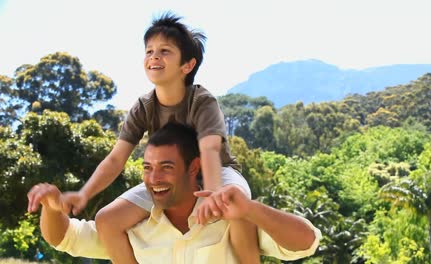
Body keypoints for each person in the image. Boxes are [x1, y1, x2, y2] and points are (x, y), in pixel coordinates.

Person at [60, 12, 259, 264]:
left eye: (165, 51)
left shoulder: (202, 101)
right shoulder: (143, 106)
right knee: (106, 220)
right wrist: (84, 193)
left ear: (187, 66)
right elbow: (116, 159)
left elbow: (209, 150)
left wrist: (214, 193)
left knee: (234, 206)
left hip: (217, 171)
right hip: (170, 177)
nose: (154, 56)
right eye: (149, 50)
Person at [28, 122, 322, 263]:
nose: (153, 178)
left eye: (166, 167)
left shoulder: (232, 220)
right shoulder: (130, 228)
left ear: (194, 168)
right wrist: (53, 208)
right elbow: (63, 237)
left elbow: (306, 242)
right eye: (147, 167)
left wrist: (249, 209)